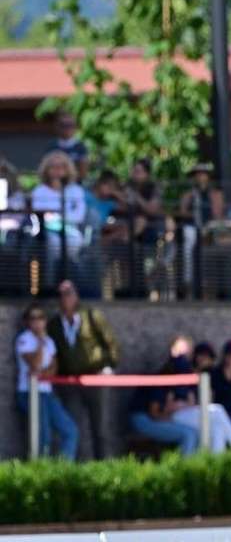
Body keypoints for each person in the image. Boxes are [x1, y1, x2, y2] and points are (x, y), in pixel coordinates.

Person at [46, 280, 119, 459]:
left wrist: (109, 366)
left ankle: (104, 467)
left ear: (76, 295)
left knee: (100, 428)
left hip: (94, 378)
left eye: (69, 293)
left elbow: (111, 343)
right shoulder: (54, 324)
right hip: (70, 382)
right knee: (73, 428)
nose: (65, 298)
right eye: (61, 295)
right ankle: (77, 471)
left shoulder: (92, 316)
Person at [14, 303, 79, 459]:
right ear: (27, 322)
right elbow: (35, 364)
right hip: (30, 392)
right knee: (43, 436)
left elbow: (53, 368)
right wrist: (40, 344)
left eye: (41, 317)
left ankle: (62, 470)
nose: (37, 321)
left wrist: (41, 371)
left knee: (70, 430)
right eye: (33, 318)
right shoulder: (24, 340)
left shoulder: (50, 341)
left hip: (47, 392)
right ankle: (42, 472)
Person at [164, 334, 231, 454]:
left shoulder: (203, 375)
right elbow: (168, 404)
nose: (204, 360)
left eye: (208, 357)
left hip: (192, 413)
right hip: (176, 416)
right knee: (218, 410)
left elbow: (199, 400)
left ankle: (215, 465)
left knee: (218, 429)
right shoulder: (174, 370)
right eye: (201, 356)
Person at [32, 151, 87, 285]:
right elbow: (40, 214)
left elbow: (79, 216)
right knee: (53, 244)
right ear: (46, 169)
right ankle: (50, 285)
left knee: (74, 243)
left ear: (68, 169)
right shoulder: (39, 191)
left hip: (72, 232)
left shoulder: (76, 191)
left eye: (61, 166)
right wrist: (60, 216)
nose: (57, 170)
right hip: (46, 232)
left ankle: (72, 285)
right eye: (53, 166)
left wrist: (57, 216)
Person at [178, 163, 225, 296]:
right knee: (189, 239)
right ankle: (189, 281)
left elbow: (219, 214)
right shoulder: (188, 195)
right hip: (193, 228)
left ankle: (215, 286)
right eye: (197, 174)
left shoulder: (216, 194)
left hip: (211, 227)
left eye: (203, 174)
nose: (200, 177)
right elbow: (182, 212)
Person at [123, 158, 163, 244]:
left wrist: (137, 197)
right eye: (133, 171)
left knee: (141, 221)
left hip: (150, 224)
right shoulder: (127, 185)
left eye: (138, 172)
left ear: (146, 174)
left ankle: (125, 242)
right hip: (128, 220)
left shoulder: (154, 188)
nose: (134, 174)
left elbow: (152, 210)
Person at [45, 113, 89, 183]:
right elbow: (46, 170)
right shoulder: (52, 146)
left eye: (70, 125)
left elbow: (83, 172)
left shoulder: (80, 147)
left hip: (75, 185)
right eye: (63, 125)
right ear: (57, 127)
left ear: (76, 127)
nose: (67, 128)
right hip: (54, 186)